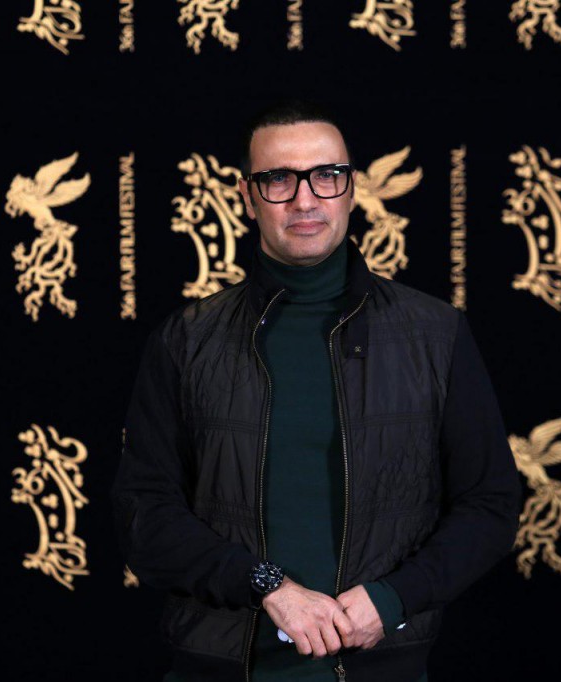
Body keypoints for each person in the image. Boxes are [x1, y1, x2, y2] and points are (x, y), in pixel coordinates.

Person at [110, 99, 522, 682]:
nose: (305, 200)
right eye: (279, 179)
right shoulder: (185, 341)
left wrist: (394, 598)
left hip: (382, 669)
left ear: (352, 189)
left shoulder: (436, 334)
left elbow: (490, 505)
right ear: (247, 196)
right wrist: (266, 586)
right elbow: (144, 515)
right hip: (221, 668)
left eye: (327, 175)